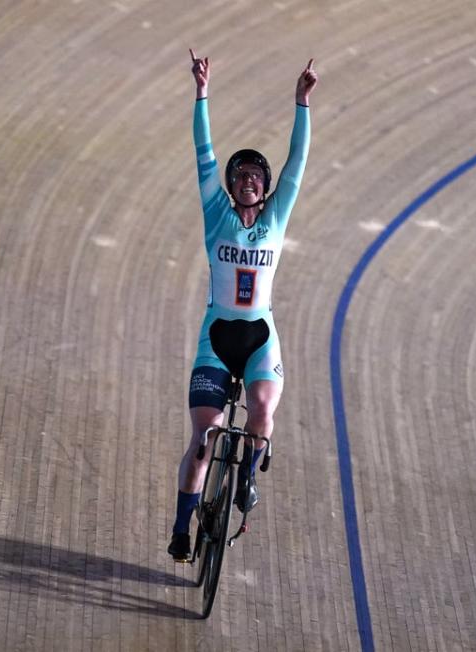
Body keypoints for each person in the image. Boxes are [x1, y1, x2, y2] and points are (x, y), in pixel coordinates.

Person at [167, 50, 318, 562]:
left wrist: (301, 104)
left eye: (257, 174)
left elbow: (297, 161)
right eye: (241, 175)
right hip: (217, 337)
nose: (249, 179)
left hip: (258, 336)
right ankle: (182, 526)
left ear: (266, 185)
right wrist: (202, 93)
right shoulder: (216, 212)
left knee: (261, 414)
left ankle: (248, 479)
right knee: (205, 435)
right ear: (230, 186)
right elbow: (203, 150)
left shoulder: (277, 214)